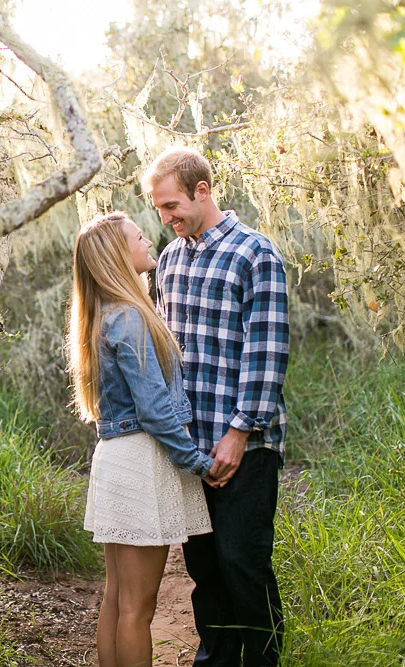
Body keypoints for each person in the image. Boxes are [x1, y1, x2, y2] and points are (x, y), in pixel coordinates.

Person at [145, 146, 289, 667]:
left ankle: (264, 660)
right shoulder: (169, 260)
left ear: (202, 191)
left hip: (246, 446)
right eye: (159, 209)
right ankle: (217, 659)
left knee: (242, 560)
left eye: (170, 205)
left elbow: (267, 350)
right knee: (205, 566)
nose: (165, 217)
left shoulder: (255, 253)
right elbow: (166, 352)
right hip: (192, 447)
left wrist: (239, 432)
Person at [68, 211, 216, 667]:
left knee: (117, 599)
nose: (148, 242)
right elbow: (154, 409)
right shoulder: (130, 317)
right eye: (137, 237)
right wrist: (197, 461)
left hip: (116, 457)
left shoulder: (103, 315)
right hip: (140, 461)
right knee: (137, 608)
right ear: (118, 253)